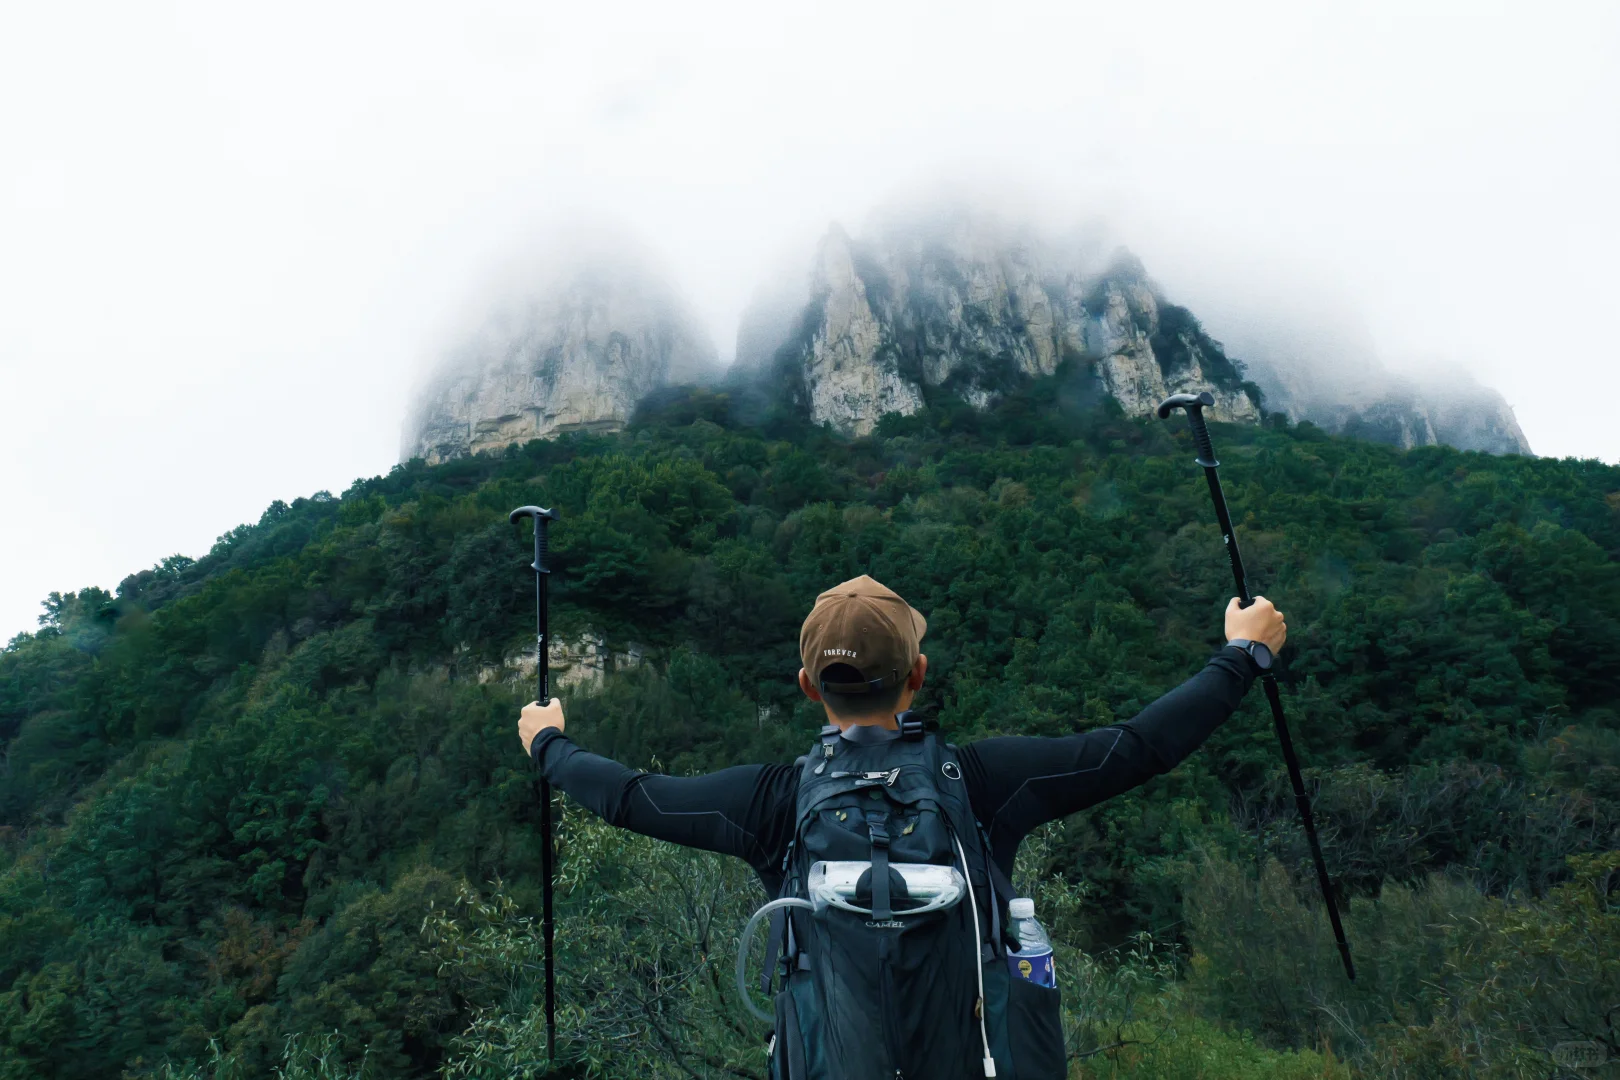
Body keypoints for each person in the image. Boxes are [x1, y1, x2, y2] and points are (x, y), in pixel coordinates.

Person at [519, 575, 1285, 1079]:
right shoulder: (981, 783)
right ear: (917, 678)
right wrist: (1244, 653)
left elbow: (630, 797)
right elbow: (1138, 748)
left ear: (805, 686)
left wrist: (548, 741)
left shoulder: (771, 802)